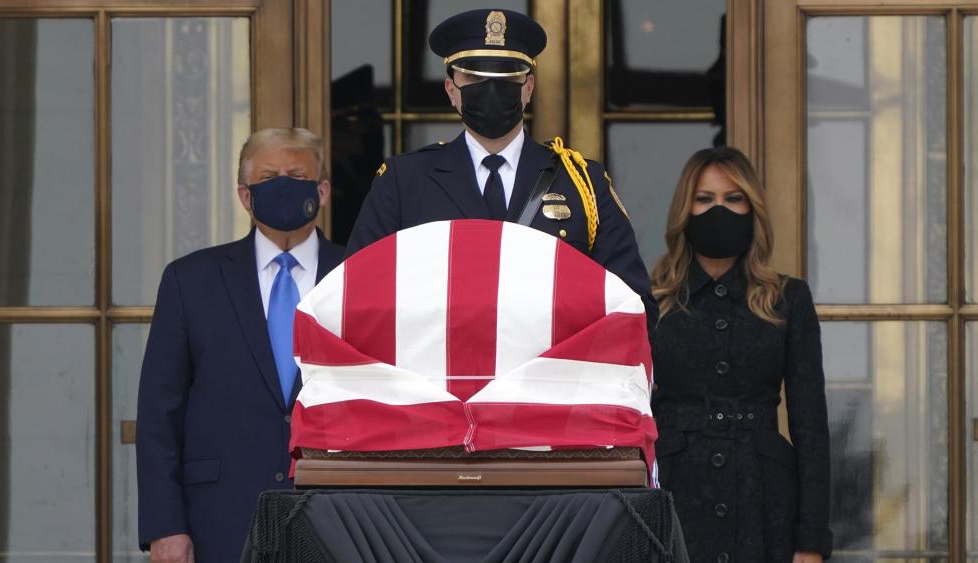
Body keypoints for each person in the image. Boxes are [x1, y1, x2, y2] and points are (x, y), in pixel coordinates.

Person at [345, 8, 656, 319]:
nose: (491, 87)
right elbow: (356, 297)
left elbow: (633, 305)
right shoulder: (403, 182)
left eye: (507, 75)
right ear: (451, 90)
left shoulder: (582, 183)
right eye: (474, 77)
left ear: (529, 87)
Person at [136, 128, 345, 562]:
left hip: (341, 517)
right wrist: (165, 526)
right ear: (245, 196)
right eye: (268, 178)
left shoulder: (359, 274)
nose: (283, 186)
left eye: (296, 176)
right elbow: (160, 413)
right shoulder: (190, 280)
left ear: (322, 191)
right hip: (219, 516)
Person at [649, 147, 832, 562]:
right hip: (674, 494)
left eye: (734, 199)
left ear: (753, 209)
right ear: (684, 210)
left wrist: (810, 541)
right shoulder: (652, 300)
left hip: (764, 502)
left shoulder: (788, 298)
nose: (720, 209)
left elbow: (810, 427)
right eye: (704, 199)